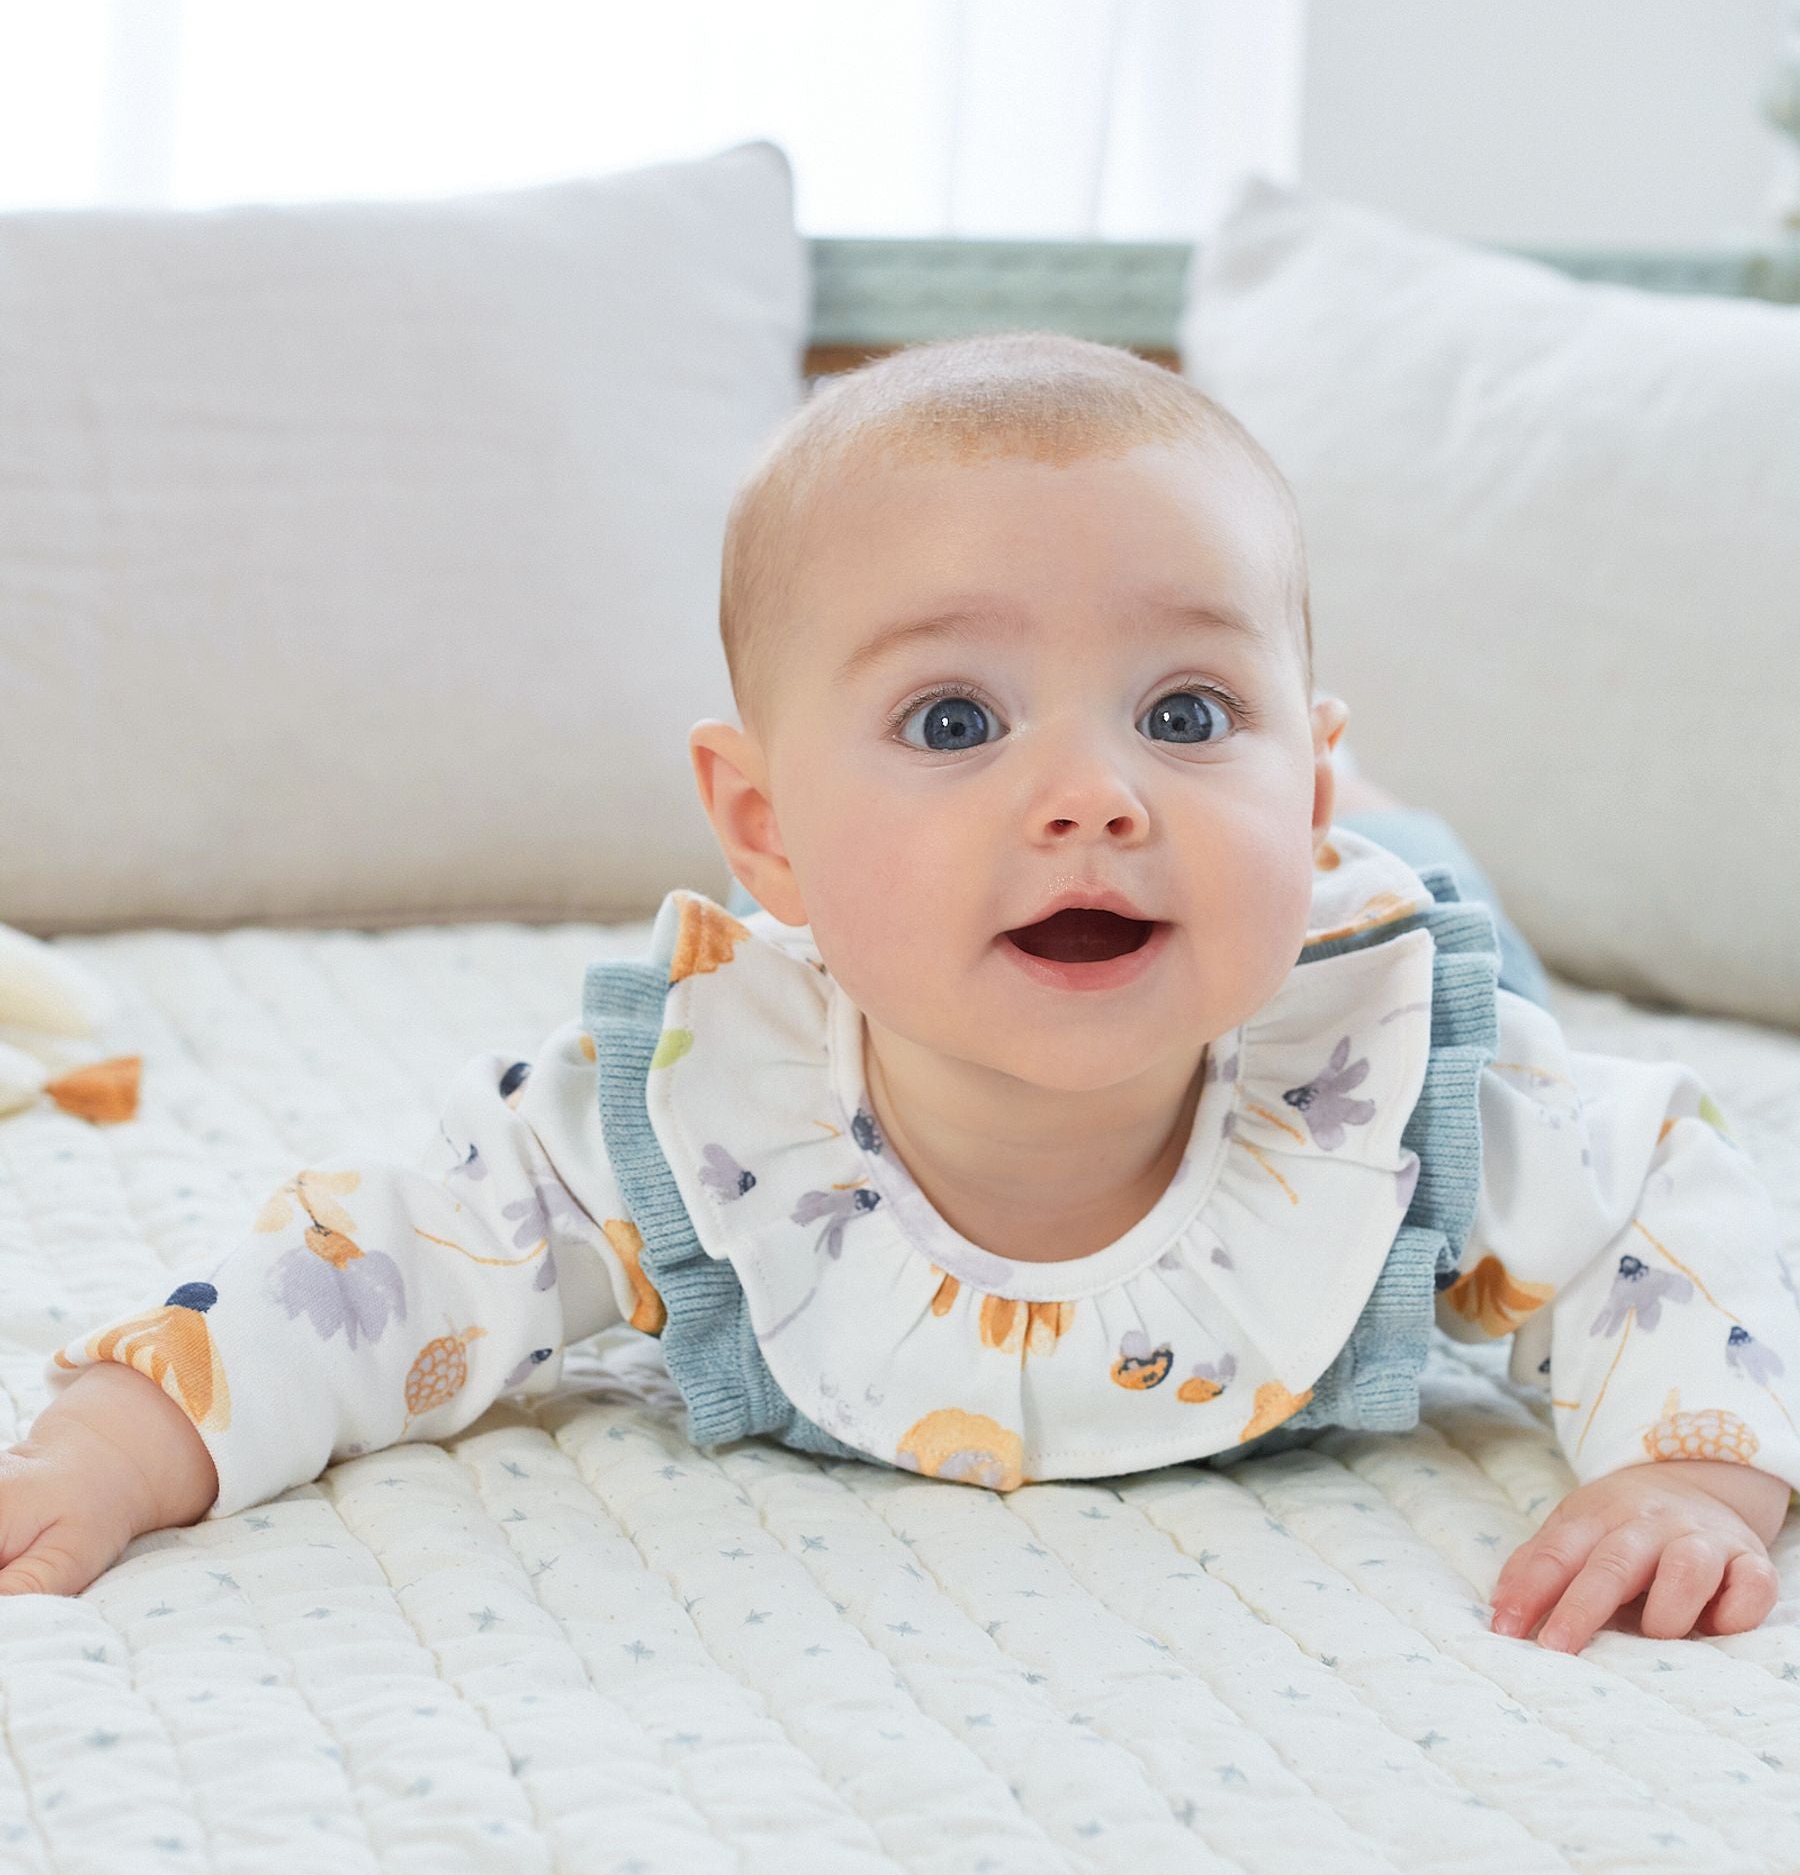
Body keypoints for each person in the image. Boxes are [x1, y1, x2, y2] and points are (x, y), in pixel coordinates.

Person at [7, 336, 1796, 1660]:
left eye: (1186, 714)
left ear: (1294, 781)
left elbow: (1665, 1205)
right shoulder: (699, 1115)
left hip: (1327, 922)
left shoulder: (1395, 1085)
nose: (1092, 795)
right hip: (1264, 867)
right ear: (765, 834)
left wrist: (1693, 1478)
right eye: (957, 723)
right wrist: (124, 1436)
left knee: (1470, 943)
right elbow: (374, 1265)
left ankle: (1390, 838)